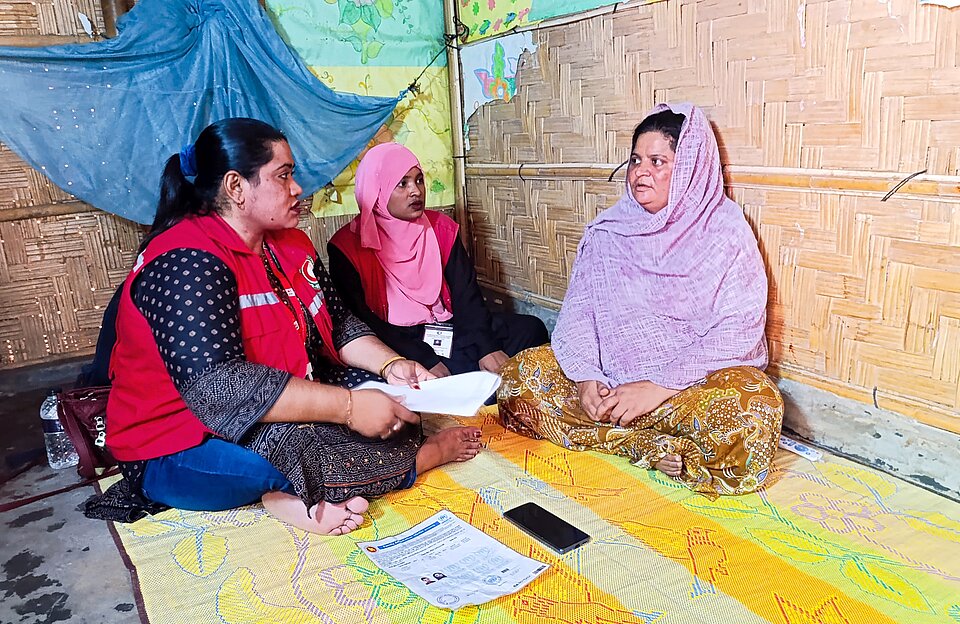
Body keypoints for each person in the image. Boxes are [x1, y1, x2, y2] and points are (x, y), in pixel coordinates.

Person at [91, 118, 482, 535]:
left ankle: (292, 493)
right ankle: (412, 462)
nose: (297, 188)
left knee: (399, 412)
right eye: (283, 176)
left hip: (274, 402)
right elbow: (220, 389)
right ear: (236, 188)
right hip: (181, 439)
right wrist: (348, 409)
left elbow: (340, 325)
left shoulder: (289, 244)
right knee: (315, 447)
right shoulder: (186, 261)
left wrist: (391, 367)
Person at [497, 104, 784, 498]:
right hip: (608, 391)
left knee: (754, 408)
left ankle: (628, 437)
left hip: (685, 394)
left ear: (688, 169)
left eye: (657, 161)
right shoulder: (608, 231)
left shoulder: (725, 230)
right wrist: (586, 380)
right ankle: (643, 446)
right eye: (635, 160)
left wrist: (656, 387)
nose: (640, 173)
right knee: (520, 377)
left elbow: (737, 331)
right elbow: (579, 313)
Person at [327, 143, 548, 380]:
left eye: (419, 180)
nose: (416, 191)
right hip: (395, 340)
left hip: (447, 328)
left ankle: (471, 383)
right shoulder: (346, 247)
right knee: (405, 374)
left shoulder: (441, 229)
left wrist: (486, 347)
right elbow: (361, 320)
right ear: (377, 190)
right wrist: (424, 358)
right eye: (402, 183)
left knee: (529, 329)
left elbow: (467, 296)